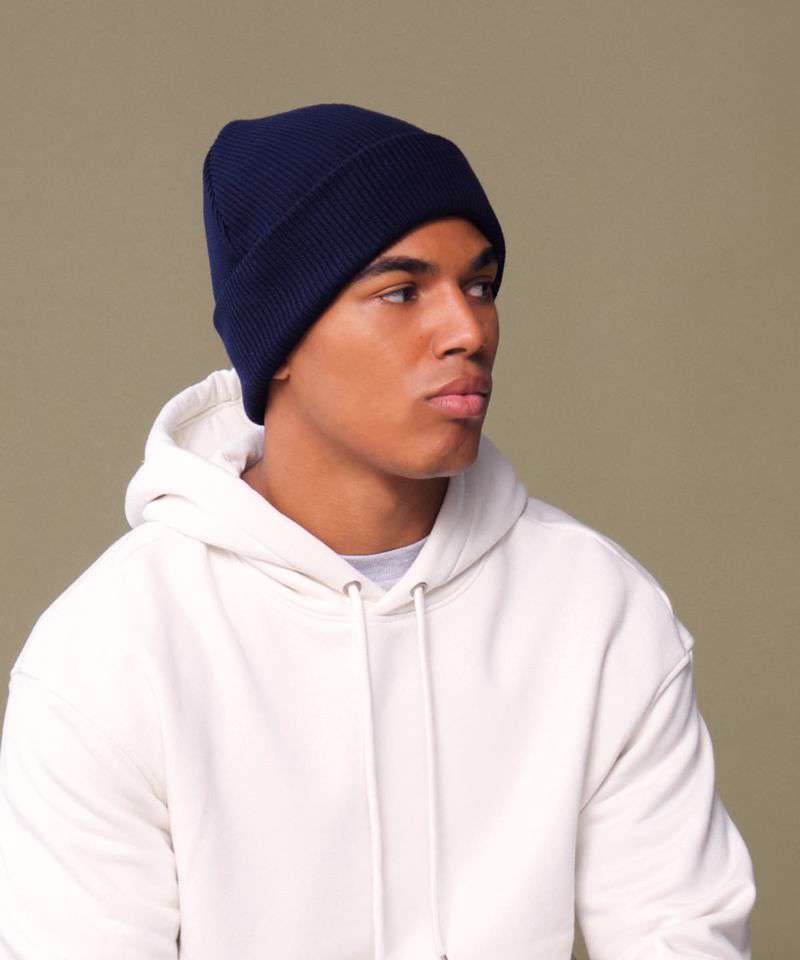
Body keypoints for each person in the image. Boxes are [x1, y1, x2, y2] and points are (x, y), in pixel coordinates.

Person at [0, 103, 756, 960]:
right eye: (401, 292)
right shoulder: (112, 649)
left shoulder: (598, 608)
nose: (468, 331)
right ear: (280, 338)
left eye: (480, 286)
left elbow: (680, 937)